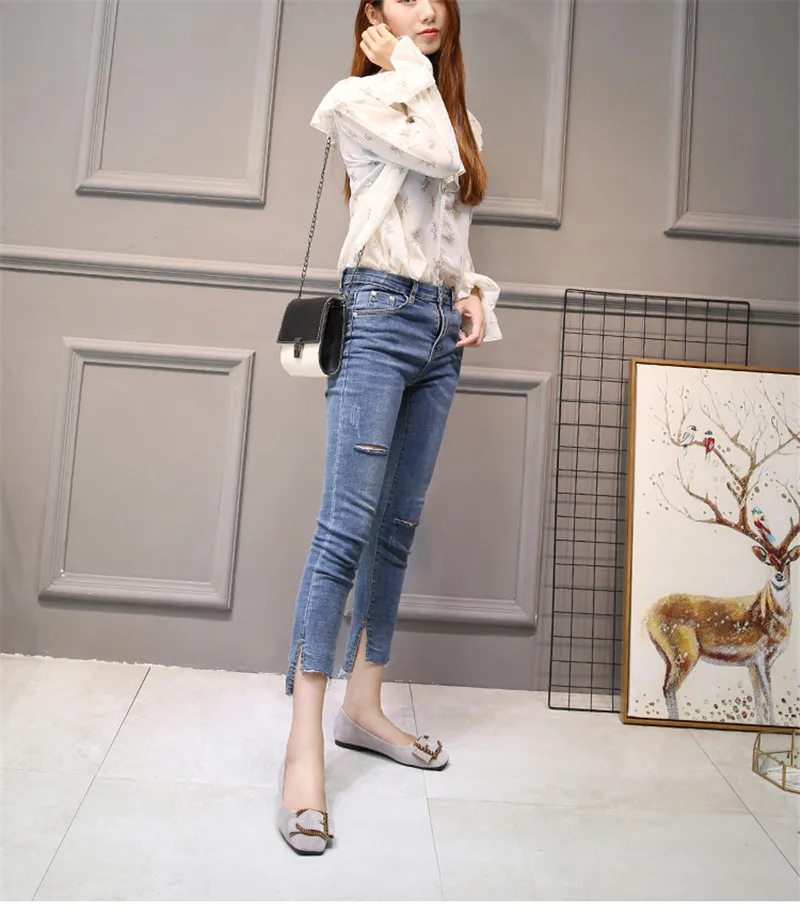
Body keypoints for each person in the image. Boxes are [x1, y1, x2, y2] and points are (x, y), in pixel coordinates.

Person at [276, 0, 502, 855]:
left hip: (440, 332)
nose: (429, 8)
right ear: (373, 13)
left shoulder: (460, 117)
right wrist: (407, 66)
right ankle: (302, 750)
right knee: (344, 530)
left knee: (397, 528)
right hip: (374, 318)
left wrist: (472, 293)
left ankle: (363, 706)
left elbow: (452, 229)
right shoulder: (357, 99)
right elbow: (437, 154)